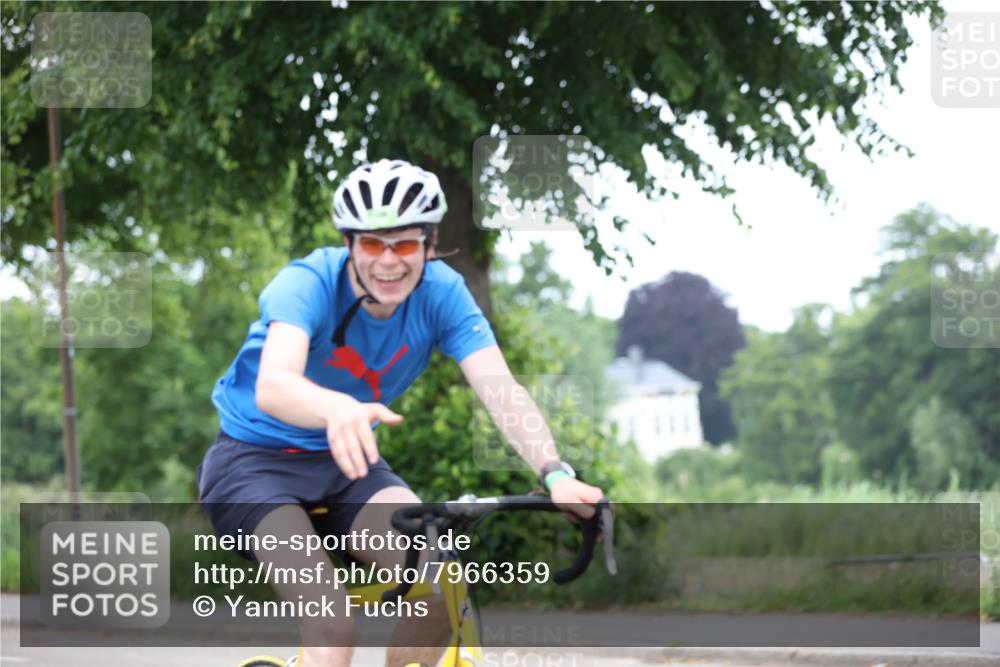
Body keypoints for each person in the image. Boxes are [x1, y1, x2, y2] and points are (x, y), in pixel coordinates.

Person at [197, 159, 604, 667]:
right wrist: (336, 408)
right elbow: (273, 386)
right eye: (372, 244)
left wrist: (554, 471)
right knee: (331, 618)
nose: (388, 262)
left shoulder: (442, 295)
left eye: (405, 244)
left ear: (430, 245)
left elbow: (501, 390)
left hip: (348, 465)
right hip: (251, 465)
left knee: (441, 583)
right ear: (349, 244)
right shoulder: (306, 283)